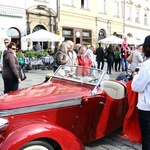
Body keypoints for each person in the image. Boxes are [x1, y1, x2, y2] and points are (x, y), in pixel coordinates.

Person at [131, 35, 150, 150]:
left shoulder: (147, 65)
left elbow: (137, 87)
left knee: (147, 139)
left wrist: (135, 77)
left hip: (147, 107)